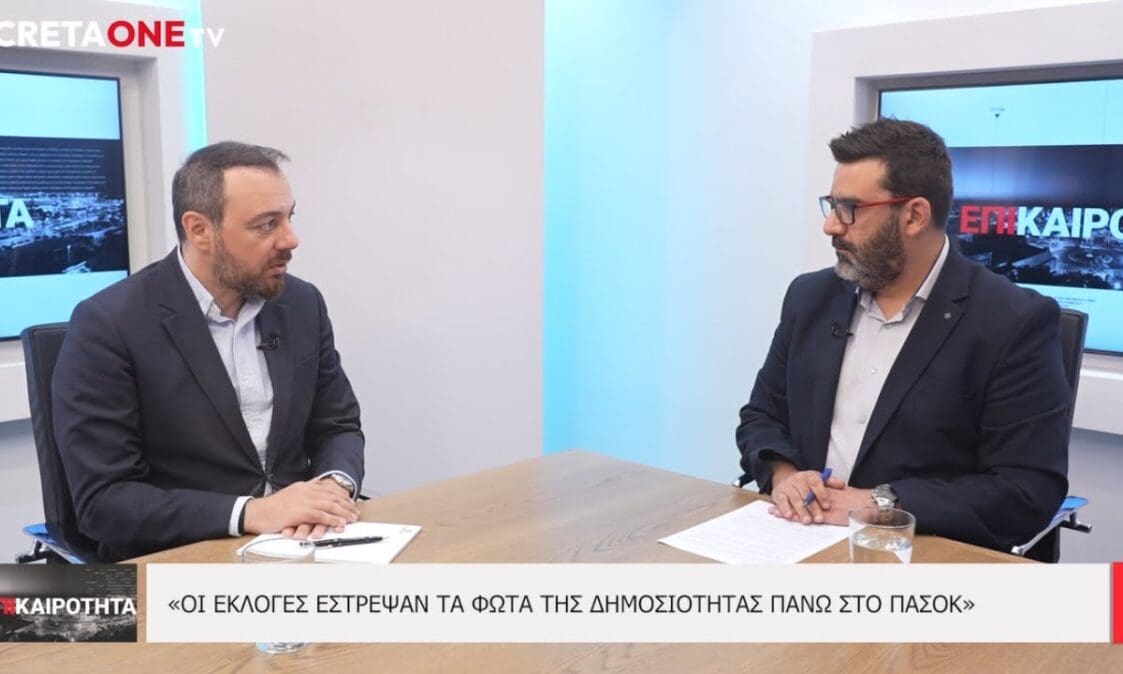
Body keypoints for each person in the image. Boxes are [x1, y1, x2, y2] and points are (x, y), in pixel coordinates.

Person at [736, 119, 1069, 555]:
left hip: (924, 558)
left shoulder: (1013, 322)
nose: (831, 226)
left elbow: (1027, 491)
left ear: (914, 216)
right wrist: (785, 477)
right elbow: (762, 415)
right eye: (831, 205)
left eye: (850, 208)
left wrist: (879, 504)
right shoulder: (810, 297)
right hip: (799, 540)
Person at [53, 142, 364, 561]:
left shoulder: (302, 303)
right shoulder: (109, 325)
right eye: (266, 225)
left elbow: (337, 425)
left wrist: (333, 486)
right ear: (199, 230)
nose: (290, 239)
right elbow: (104, 502)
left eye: (289, 217)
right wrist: (253, 512)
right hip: (179, 558)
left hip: (303, 544)